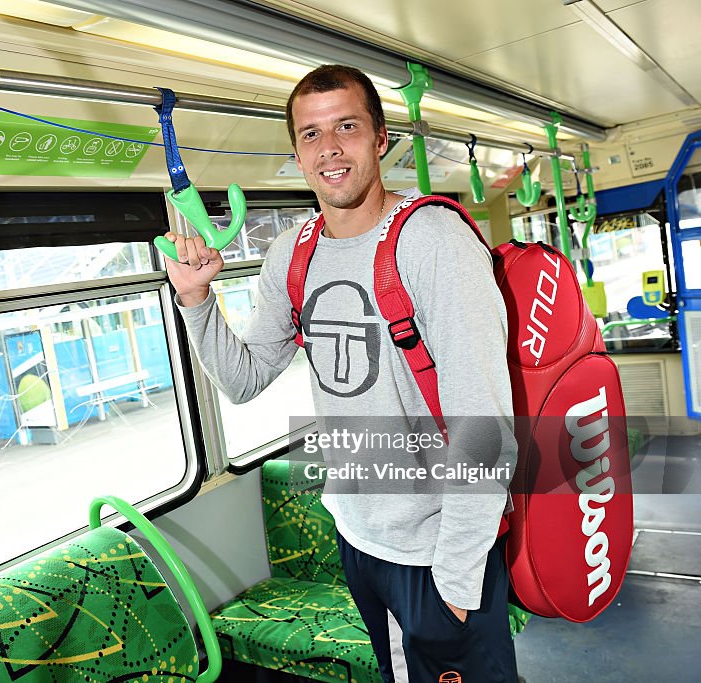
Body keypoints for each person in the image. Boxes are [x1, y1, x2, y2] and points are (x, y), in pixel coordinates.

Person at [160, 64, 518, 683]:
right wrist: (195, 300)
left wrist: (458, 577)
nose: (329, 149)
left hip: (438, 551)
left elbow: (483, 424)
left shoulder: (433, 241)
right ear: (296, 152)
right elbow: (243, 380)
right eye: (310, 134)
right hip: (357, 538)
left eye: (347, 127)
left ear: (380, 139)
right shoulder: (292, 253)